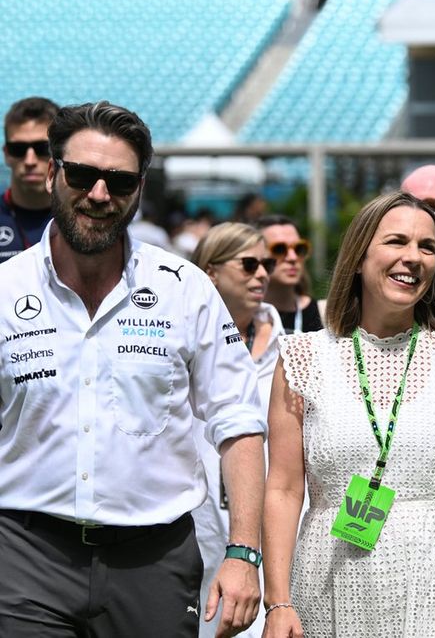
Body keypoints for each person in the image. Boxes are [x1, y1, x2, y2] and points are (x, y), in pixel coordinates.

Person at [0, 101, 266, 636]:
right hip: (26, 557)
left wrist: (243, 552)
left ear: (140, 189)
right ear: (54, 174)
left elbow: (238, 422)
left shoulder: (184, 288)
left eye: (118, 182)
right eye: (82, 175)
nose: (99, 195)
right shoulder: (6, 290)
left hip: (154, 559)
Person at [262, 192, 435, 638]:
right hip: (333, 581)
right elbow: (284, 488)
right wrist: (278, 602)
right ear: (360, 255)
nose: (414, 257)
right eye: (397, 241)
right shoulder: (304, 356)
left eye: (428, 247)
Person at [192, 222, 285, 638]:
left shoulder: (294, 346)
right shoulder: (177, 339)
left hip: (277, 523)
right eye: (249, 264)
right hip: (199, 524)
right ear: (210, 271)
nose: (263, 274)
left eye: (267, 264)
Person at [1, 96, 59, 263]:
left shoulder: (84, 219)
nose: (30, 161)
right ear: (6, 154)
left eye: (43, 148)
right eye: (18, 149)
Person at [257, 215, 324, 334]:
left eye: (299, 248)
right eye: (279, 249)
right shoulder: (240, 317)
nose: (293, 258)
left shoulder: (325, 314)